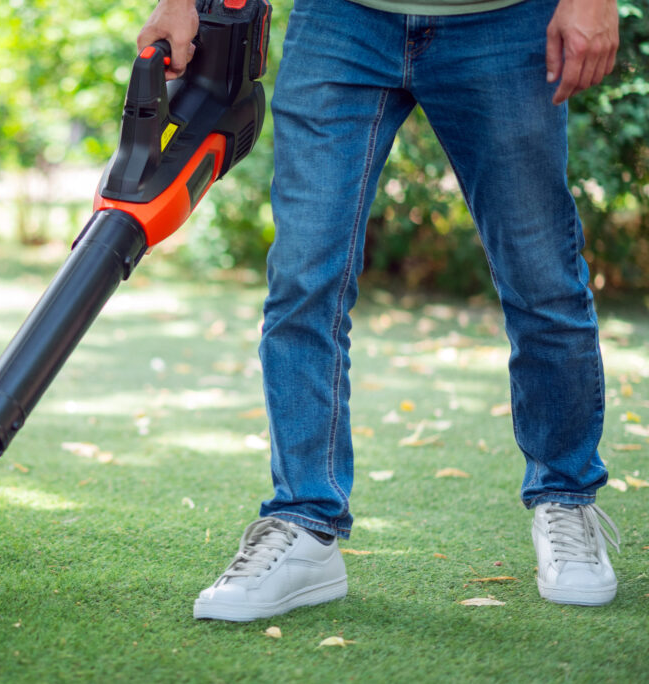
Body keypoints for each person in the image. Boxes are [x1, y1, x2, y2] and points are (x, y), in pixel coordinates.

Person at [137, 0, 622, 621]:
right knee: (302, 280)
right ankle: (305, 523)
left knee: (542, 278)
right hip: (342, 19)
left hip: (504, 19)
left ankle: (566, 500)